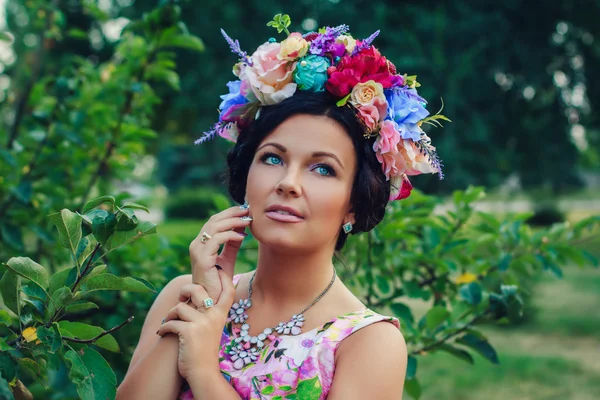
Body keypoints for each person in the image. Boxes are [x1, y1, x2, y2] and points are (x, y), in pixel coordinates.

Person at [117, 16, 446, 400]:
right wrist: (203, 300)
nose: (288, 183)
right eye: (273, 158)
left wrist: (205, 373)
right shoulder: (184, 295)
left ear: (354, 206)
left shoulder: (369, 343)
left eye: (323, 169)